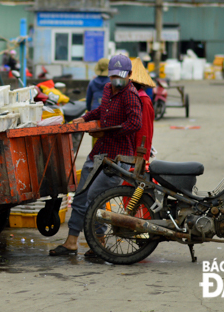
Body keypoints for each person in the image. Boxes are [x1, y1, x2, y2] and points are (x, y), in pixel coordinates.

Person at [49, 54, 142, 256]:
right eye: (113, 76)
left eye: (121, 76)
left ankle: (99, 241)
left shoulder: (131, 95)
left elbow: (135, 123)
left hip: (119, 158)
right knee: (81, 196)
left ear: (129, 75)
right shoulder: (107, 89)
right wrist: (83, 118)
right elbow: (101, 110)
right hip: (99, 151)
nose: (117, 80)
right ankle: (72, 241)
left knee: (94, 197)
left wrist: (107, 131)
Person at [129, 58, 156, 162]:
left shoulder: (143, 100)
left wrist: (140, 159)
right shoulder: (128, 97)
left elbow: (144, 133)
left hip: (136, 153)